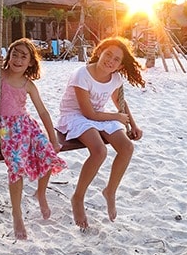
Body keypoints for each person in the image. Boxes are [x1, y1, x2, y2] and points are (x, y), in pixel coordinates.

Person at [56, 36, 145, 229]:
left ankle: (110, 191)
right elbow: (88, 113)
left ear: (120, 66)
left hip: (100, 116)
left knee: (127, 147)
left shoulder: (116, 78)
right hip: (75, 116)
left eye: (116, 60)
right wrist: (115, 117)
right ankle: (78, 197)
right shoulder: (82, 74)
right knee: (99, 151)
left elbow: (120, 104)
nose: (110, 61)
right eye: (108, 54)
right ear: (100, 52)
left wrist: (133, 125)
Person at [0, 38, 67, 240]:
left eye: (24, 56)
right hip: (3, 128)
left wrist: (53, 139)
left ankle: (41, 193)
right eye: (15, 54)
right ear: (9, 56)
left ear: (30, 62)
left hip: (26, 125)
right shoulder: (0, 75)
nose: (18, 59)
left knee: (48, 155)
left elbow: (43, 112)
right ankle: (17, 212)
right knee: (16, 163)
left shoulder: (28, 85)